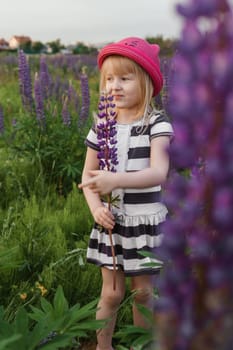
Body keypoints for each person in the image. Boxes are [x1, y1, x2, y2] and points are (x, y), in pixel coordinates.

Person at [78, 37, 173, 350]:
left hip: (144, 223)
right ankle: (102, 347)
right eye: (108, 79)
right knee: (111, 293)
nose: (114, 86)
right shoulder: (101, 126)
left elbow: (159, 172)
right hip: (112, 224)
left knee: (144, 293)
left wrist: (114, 179)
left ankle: (140, 345)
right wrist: (95, 208)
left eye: (124, 78)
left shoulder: (156, 124)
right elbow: (88, 178)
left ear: (145, 81)